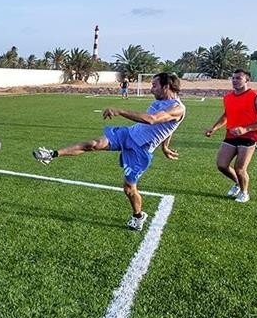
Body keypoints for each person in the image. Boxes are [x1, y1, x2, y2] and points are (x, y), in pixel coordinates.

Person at [33, 73, 186, 231]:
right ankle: (51, 154)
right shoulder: (161, 101)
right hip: (128, 134)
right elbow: (169, 127)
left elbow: (152, 119)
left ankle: (138, 216)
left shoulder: (177, 108)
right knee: (94, 144)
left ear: (166, 87)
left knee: (129, 189)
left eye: (154, 85)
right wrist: (165, 146)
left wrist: (120, 111)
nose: (151, 89)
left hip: (140, 150)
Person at [204, 69, 257, 203]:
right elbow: (226, 115)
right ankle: (237, 183)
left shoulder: (256, 96)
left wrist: (246, 129)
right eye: (233, 78)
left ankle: (244, 193)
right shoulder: (228, 97)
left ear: (247, 80)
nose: (234, 81)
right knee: (221, 165)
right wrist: (214, 128)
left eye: (238, 78)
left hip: (250, 136)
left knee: (240, 168)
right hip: (231, 134)